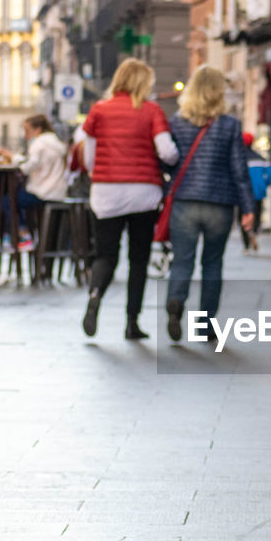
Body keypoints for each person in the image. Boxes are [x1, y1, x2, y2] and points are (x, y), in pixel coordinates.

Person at [80, 57, 179, 339]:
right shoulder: (151, 111)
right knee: (138, 259)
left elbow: (88, 158)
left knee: (105, 255)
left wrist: (101, 172)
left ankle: (95, 295)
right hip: (143, 194)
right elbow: (167, 152)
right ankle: (131, 322)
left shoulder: (98, 111)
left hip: (106, 194)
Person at [162, 66, 255, 343]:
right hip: (219, 203)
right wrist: (248, 209)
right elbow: (239, 169)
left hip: (185, 201)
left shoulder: (177, 122)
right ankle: (206, 325)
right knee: (213, 264)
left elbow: (166, 160)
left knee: (182, 261)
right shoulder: (229, 124)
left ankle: (176, 301)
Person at [0, 113, 68, 251]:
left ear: (38, 130)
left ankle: (23, 235)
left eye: (27, 131)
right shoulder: (56, 143)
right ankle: (38, 240)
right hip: (58, 192)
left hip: (43, 192)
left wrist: (13, 158)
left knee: (8, 201)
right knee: (18, 198)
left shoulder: (39, 143)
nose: (25, 135)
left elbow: (28, 166)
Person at [239, 132, 271, 252]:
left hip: (242, 193)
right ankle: (255, 232)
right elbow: (270, 174)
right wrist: (263, 184)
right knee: (257, 214)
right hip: (258, 192)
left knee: (242, 216)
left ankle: (246, 244)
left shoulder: (240, 159)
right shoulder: (261, 159)